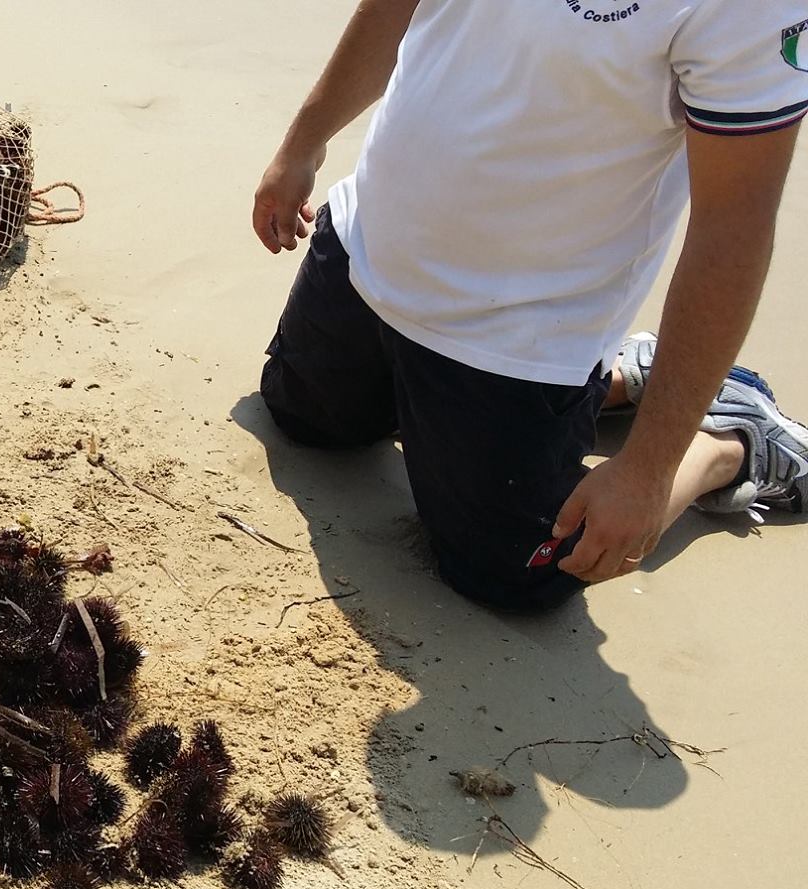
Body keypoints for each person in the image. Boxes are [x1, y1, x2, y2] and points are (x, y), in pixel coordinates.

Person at [252, 0, 808, 611]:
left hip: (524, 334)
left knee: (517, 576)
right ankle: (627, 376)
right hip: (369, 247)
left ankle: (732, 437)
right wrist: (304, 140)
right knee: (304, 421)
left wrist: (650, 468)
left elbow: (732, 228)